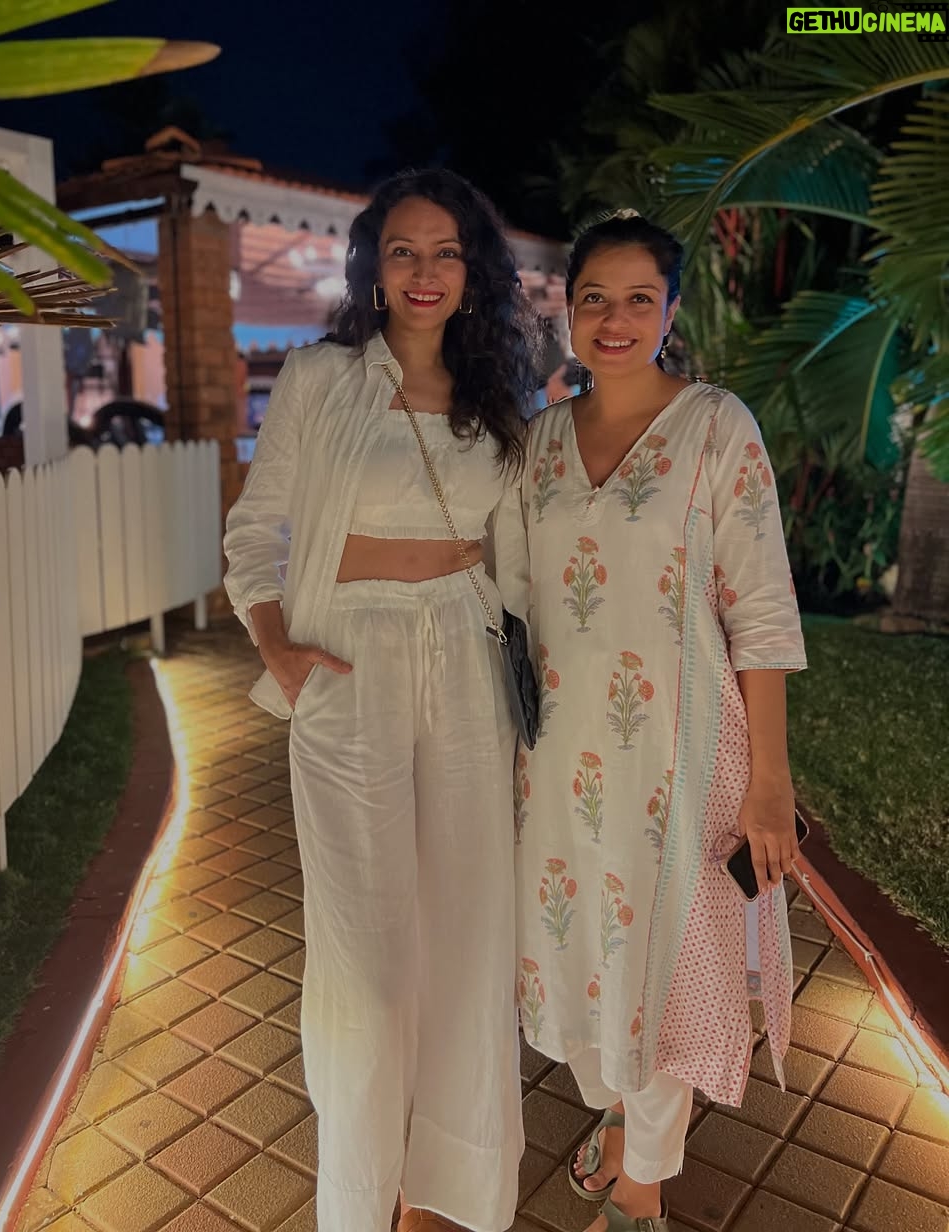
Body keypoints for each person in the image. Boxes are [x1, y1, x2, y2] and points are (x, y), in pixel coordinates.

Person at [223, 168, 541, 1232]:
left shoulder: (501, 396)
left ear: (473, 271)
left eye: (447, 251)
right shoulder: (322, 377)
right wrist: (278, 645)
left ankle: (446, 1186)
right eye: (403, 249)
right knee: (365, 948)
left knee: (467, 924)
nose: (424, 270)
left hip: (466, 649)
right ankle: (362, 1193)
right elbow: (255, 525)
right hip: (347, 654)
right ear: (372, 266)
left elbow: (517, 548)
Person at [494, 215, 806, 1232]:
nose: (615, 319)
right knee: (581, 949)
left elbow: (761, 610)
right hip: (558, 758)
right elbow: (506, 598)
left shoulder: (716, 427)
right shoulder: (536, 444)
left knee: (665, 970)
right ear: (568, 311)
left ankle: (642, 1193)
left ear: (671, 312)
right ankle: (621, 1116)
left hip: (681, 752)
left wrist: (770, 780)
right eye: (595, 298)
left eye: (639, 299)